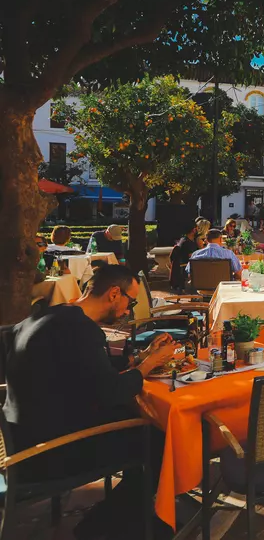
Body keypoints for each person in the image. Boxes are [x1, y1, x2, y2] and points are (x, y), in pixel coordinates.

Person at [3, 264, 178, 539]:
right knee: (157, 435)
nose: (128, 310)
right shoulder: (83, 331)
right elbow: (111, 392)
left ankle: (126, 515)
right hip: (48, 453)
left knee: (135, 422)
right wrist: (149, 366)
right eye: (130, 301)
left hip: (19, 438)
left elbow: (84, 368)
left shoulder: (47, 318)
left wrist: (139, 359)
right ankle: (108, 524)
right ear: (113, 294)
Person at [169, 222, 199, 291]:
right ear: (193, 230)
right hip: (186, 268)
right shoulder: (187, 243)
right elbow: (192, 256)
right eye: (196, 228)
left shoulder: (183, 239)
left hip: (183, 266)